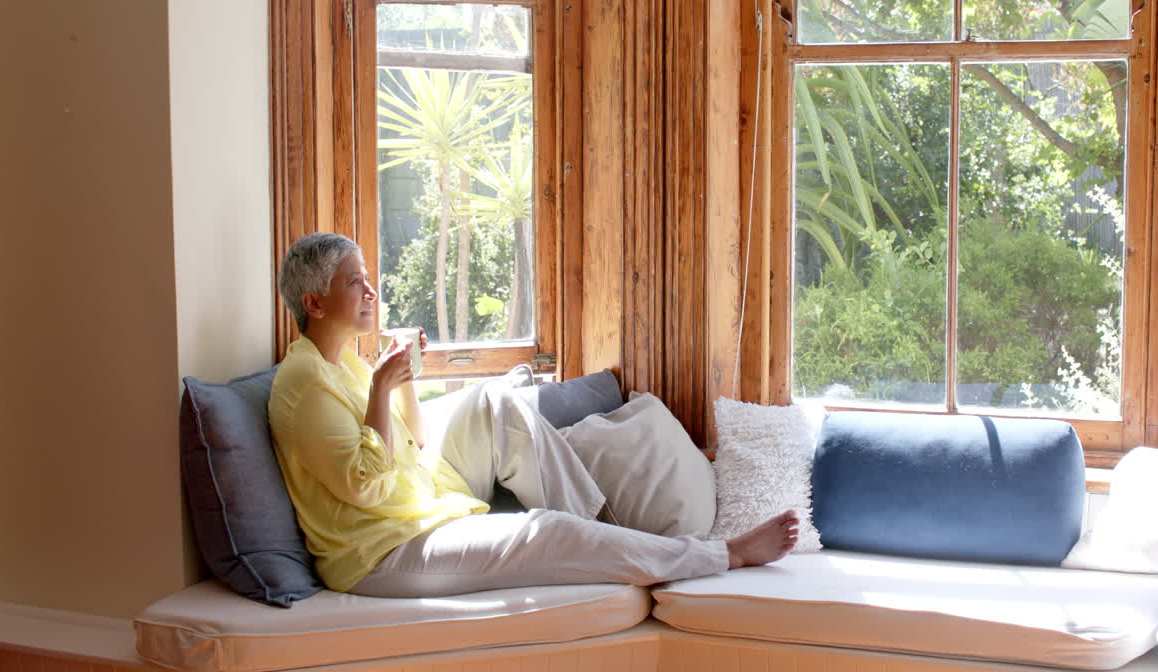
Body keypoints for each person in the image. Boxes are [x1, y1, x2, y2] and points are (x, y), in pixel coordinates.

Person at [268, 232, 800, 598]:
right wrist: (384, 387)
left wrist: (405, 378)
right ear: (315, 304)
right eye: (353, 282)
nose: (371, 290)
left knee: (492, 402)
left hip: (423, 502)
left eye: (367, 277)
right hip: (382, 552)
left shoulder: (344, 365)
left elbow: (413, 441)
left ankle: (607, 537)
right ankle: (716, 555)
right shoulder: (305, 386)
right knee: (541, 532)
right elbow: (365, 488)